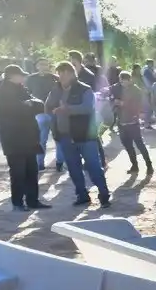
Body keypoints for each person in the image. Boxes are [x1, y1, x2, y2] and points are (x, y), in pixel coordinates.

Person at [44, 62, 110, 208]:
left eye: (66, 73)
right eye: (60, 73)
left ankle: (104, 194)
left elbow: (87, 108)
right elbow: (48, 106)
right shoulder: (55, 90)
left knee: (93, 167)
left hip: (85, 136)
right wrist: (54, 112)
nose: (62, 76)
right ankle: (82, 195)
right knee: (73, 168)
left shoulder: (85, 89)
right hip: (64, 136)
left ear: (73, 74)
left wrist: (67, 109)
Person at [0, 65, 49, 211]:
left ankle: (32, 200)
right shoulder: (3, 92)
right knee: (18, 172)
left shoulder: (21, 88)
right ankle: (17, 202)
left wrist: (28, 104)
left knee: (32, 171)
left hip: (29, 138)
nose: (23, 77)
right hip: (14, 139)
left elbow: (38, 104)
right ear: (11, 76)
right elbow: (13, 111)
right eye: (20, 75)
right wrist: (26, 106)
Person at [115, 71, 154, 175]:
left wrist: (122, 104)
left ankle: (149, 165)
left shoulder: (136, 90)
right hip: (122, 122)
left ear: (129, 80)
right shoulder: (118, 89)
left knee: (139, 144)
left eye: (124, 81)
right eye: (121, 81)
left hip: (132, 122)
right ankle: (134, 165)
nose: (123, 83)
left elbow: (138, 106)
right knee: (128, 146)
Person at [25, 59, 59, 171]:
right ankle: (40, 163)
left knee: (58, 138)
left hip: (54, 111)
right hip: (39, 112)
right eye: (41, 64)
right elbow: (27, 93)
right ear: (37, 66)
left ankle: (59, 162)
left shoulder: (55, 78)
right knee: (41, 139)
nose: (43, 66)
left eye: (45, 64)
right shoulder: (31, 79)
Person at [141, 59, 156, 128]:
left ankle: (148, 122)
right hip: (149, 91)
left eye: (152, 63)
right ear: (148, 64)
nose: (152, 65)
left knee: (151, 107)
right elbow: (153, 79)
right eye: (151, 63)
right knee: (149, 108)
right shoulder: (147, 71)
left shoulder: (151, 70)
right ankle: (146, 123)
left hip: (151, 90)